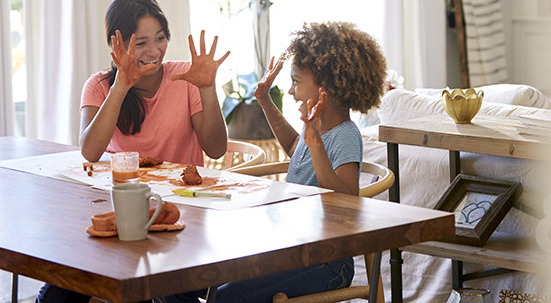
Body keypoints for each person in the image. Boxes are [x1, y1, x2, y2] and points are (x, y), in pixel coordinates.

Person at [166, 21, 388, 303]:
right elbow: (294, 147)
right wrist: (264, 100)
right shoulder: (314, 133)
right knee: (178, 282)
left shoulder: (344, 135)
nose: (292, 91)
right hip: (292, 249)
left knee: (225, 297)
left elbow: (346, 197)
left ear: (326, 88)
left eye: (296, 81)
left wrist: (315, 143)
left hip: (326, 261)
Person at [36, 0, 229, 303]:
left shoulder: (186, 77)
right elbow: (90, 151)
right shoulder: (100, 85)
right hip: (120, 215)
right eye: (141, 43)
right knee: (64, 286)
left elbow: (216, 148)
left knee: (161, 291)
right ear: (118, 44)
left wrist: (207, 89)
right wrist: (121, 85)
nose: (154, 51)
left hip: (179, 220)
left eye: (161, 38)